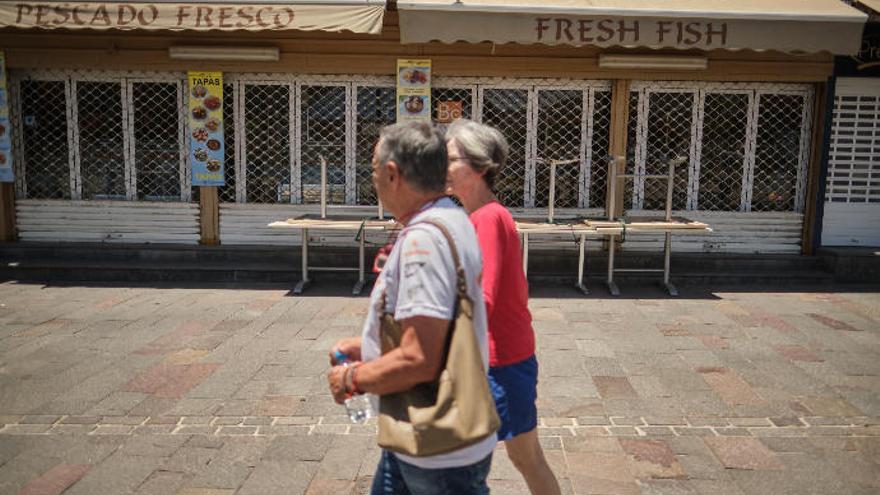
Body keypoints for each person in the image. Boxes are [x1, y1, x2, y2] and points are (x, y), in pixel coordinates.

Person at [327, 121, 496, 495]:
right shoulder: (452, 218)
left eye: (373, 169)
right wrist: (369, 346)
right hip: (414, 433)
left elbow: (420, 357)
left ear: (393, 174)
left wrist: (353, 378)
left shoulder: (424, 240)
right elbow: (439, 322)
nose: (372, 179)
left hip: (436, 449)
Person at [445, 119, 562, 495]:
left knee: (460, 464)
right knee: (524, 458)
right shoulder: (481, 216)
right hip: (499, 359)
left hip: (499, 364)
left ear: (479, 167)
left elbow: (483, 299)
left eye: (448, 159)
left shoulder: (489, 219)